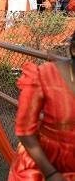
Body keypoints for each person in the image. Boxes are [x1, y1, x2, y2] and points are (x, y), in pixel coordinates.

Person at [8, 31, 75, 181]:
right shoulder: (44, 76)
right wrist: (51, 173)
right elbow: (24, 130)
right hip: (42, 165)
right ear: (73, 49)